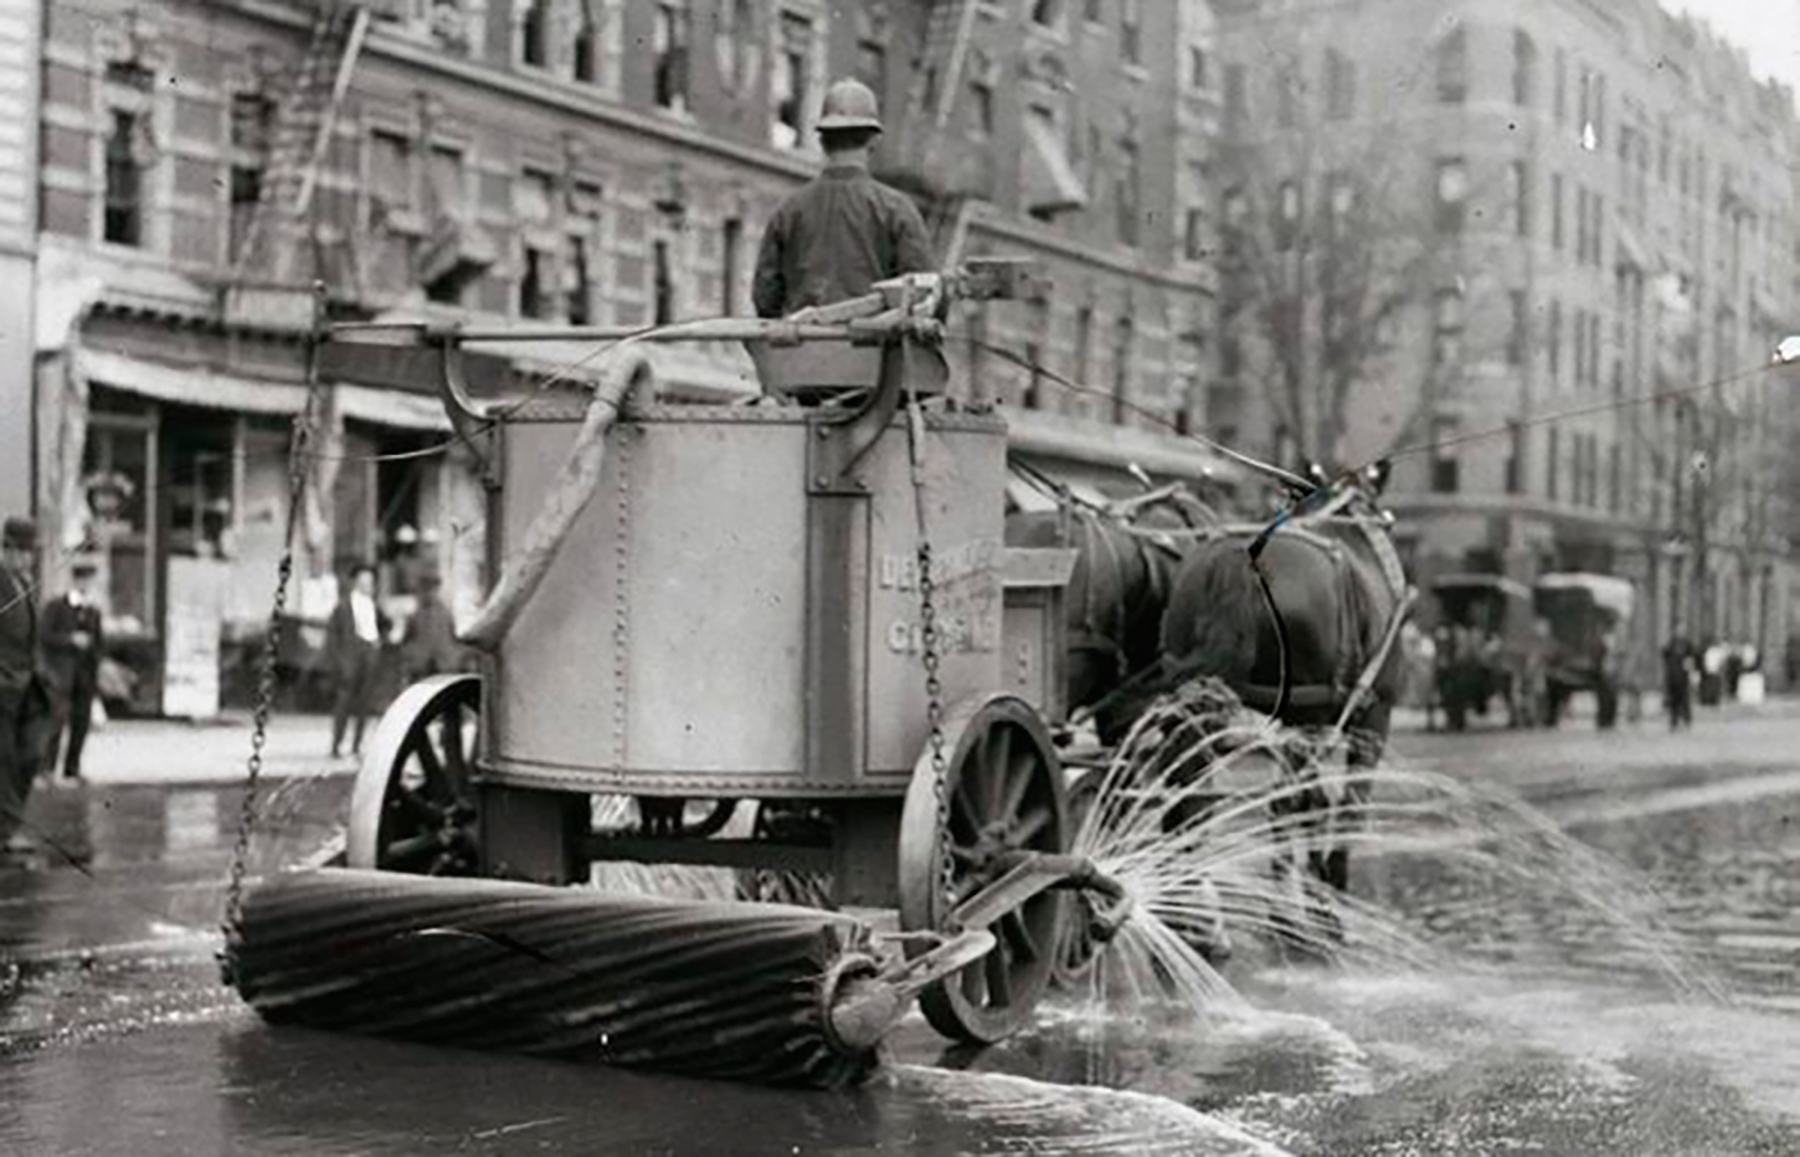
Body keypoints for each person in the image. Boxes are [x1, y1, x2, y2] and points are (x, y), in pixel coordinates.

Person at [751, 78, 936, 321]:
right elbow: (924, 294)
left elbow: (765, 297)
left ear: (822, 141)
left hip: (803, 351)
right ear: (874, 141)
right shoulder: (897, 209)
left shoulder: (788, 211)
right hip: (876, 353)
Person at [0, 518, 51, 855]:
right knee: (3, 759)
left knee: (31, 753)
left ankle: (7, 825)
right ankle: (6, 832)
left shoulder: (24, 582)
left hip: (27, 685)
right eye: (20, 551)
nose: (26, 559)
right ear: (7, 549)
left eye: (29, 553)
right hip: (2, 685)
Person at [40, 560, 103, 785]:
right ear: (75, 581)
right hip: (61, 674)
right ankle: (46, 769)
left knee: (81, 723)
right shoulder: (56, 606)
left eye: (90, 580)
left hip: (84, 676)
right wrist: (70, 640)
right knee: (56, 721)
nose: (87, 585)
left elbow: (98, 645)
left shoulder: (93, 611)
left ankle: (72, 768)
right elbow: (45, 636)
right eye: (84, 580)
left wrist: (96, 678)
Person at [327, 563, 388, 759]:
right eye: (363, 581)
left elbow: (386, 625)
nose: (367, 585)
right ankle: (336, 745)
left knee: (364, 704)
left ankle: (356, 746)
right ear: (355, 583)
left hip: (369, 655)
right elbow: (333, 635)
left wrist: (380, 641)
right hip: (350, 658)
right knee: (343, 703)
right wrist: (340, 660)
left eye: (370, 582)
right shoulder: (343, 607)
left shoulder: (374, 605)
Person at [399, 570, 464, 683]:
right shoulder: (445, 613)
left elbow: (406, 641)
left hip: (428, 669)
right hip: (441, 667)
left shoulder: (418, 615)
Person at [1663, 634, 1694, 731]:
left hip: (1682, 678)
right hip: (1673, 679)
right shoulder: (1671, 646)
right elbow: (1665, 657)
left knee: (1684, 700)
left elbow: (1689, 661)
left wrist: (1689, 674)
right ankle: (1674, 721)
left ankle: (1685, 720)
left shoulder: (1687, 647)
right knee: (1675, 701)